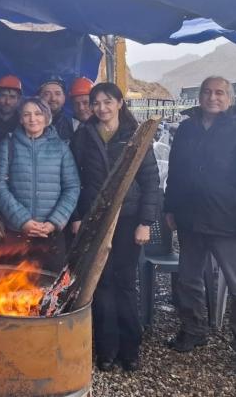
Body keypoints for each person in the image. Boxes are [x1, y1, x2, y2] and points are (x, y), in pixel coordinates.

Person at [164, 76, 236, 380]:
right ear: (199, 96)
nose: (213, 97)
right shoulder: (186, 129)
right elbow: (176, 170)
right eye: (207, 92)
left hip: (230, 225)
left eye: (220, 92)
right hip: (190, 220)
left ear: (231, 98)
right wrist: (170, 207)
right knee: (188, 280)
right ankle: (193, 329)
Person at [70, 83, 160, 372]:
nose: (101, 108)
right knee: (101, 282)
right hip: (96, 220)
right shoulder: (83, 135)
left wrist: (145, 222)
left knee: (124, 283)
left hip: (129, 218)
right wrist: (77, 216)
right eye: (95, 103)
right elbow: (73, 178)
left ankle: (130, 349)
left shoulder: (136, 136)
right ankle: (106, 350)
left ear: (120, 103)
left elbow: (150, 181)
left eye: (107, 102)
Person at [0, 97, 80, 273]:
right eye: (27, 114)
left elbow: (72, 187)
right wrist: (23, 220)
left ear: (47, 117)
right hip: (16, 232)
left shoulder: (61, 148)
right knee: (14, 289)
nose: (33, 119)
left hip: (51, 234)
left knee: (49, 290)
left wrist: (54, 222)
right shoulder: (8, 145)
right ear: (20, 119)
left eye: (38, 114)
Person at [0, 75, 23, 146]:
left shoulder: (23, 123)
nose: (7, 102)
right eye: (3, 96)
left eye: (12, 97)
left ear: (19, 100)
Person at [39, 75, 74, 141]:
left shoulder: (73, 125)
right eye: (47, 94)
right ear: (39, 97)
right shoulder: (30, 122)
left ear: (64, 98)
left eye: (57, 94)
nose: (53, 98)